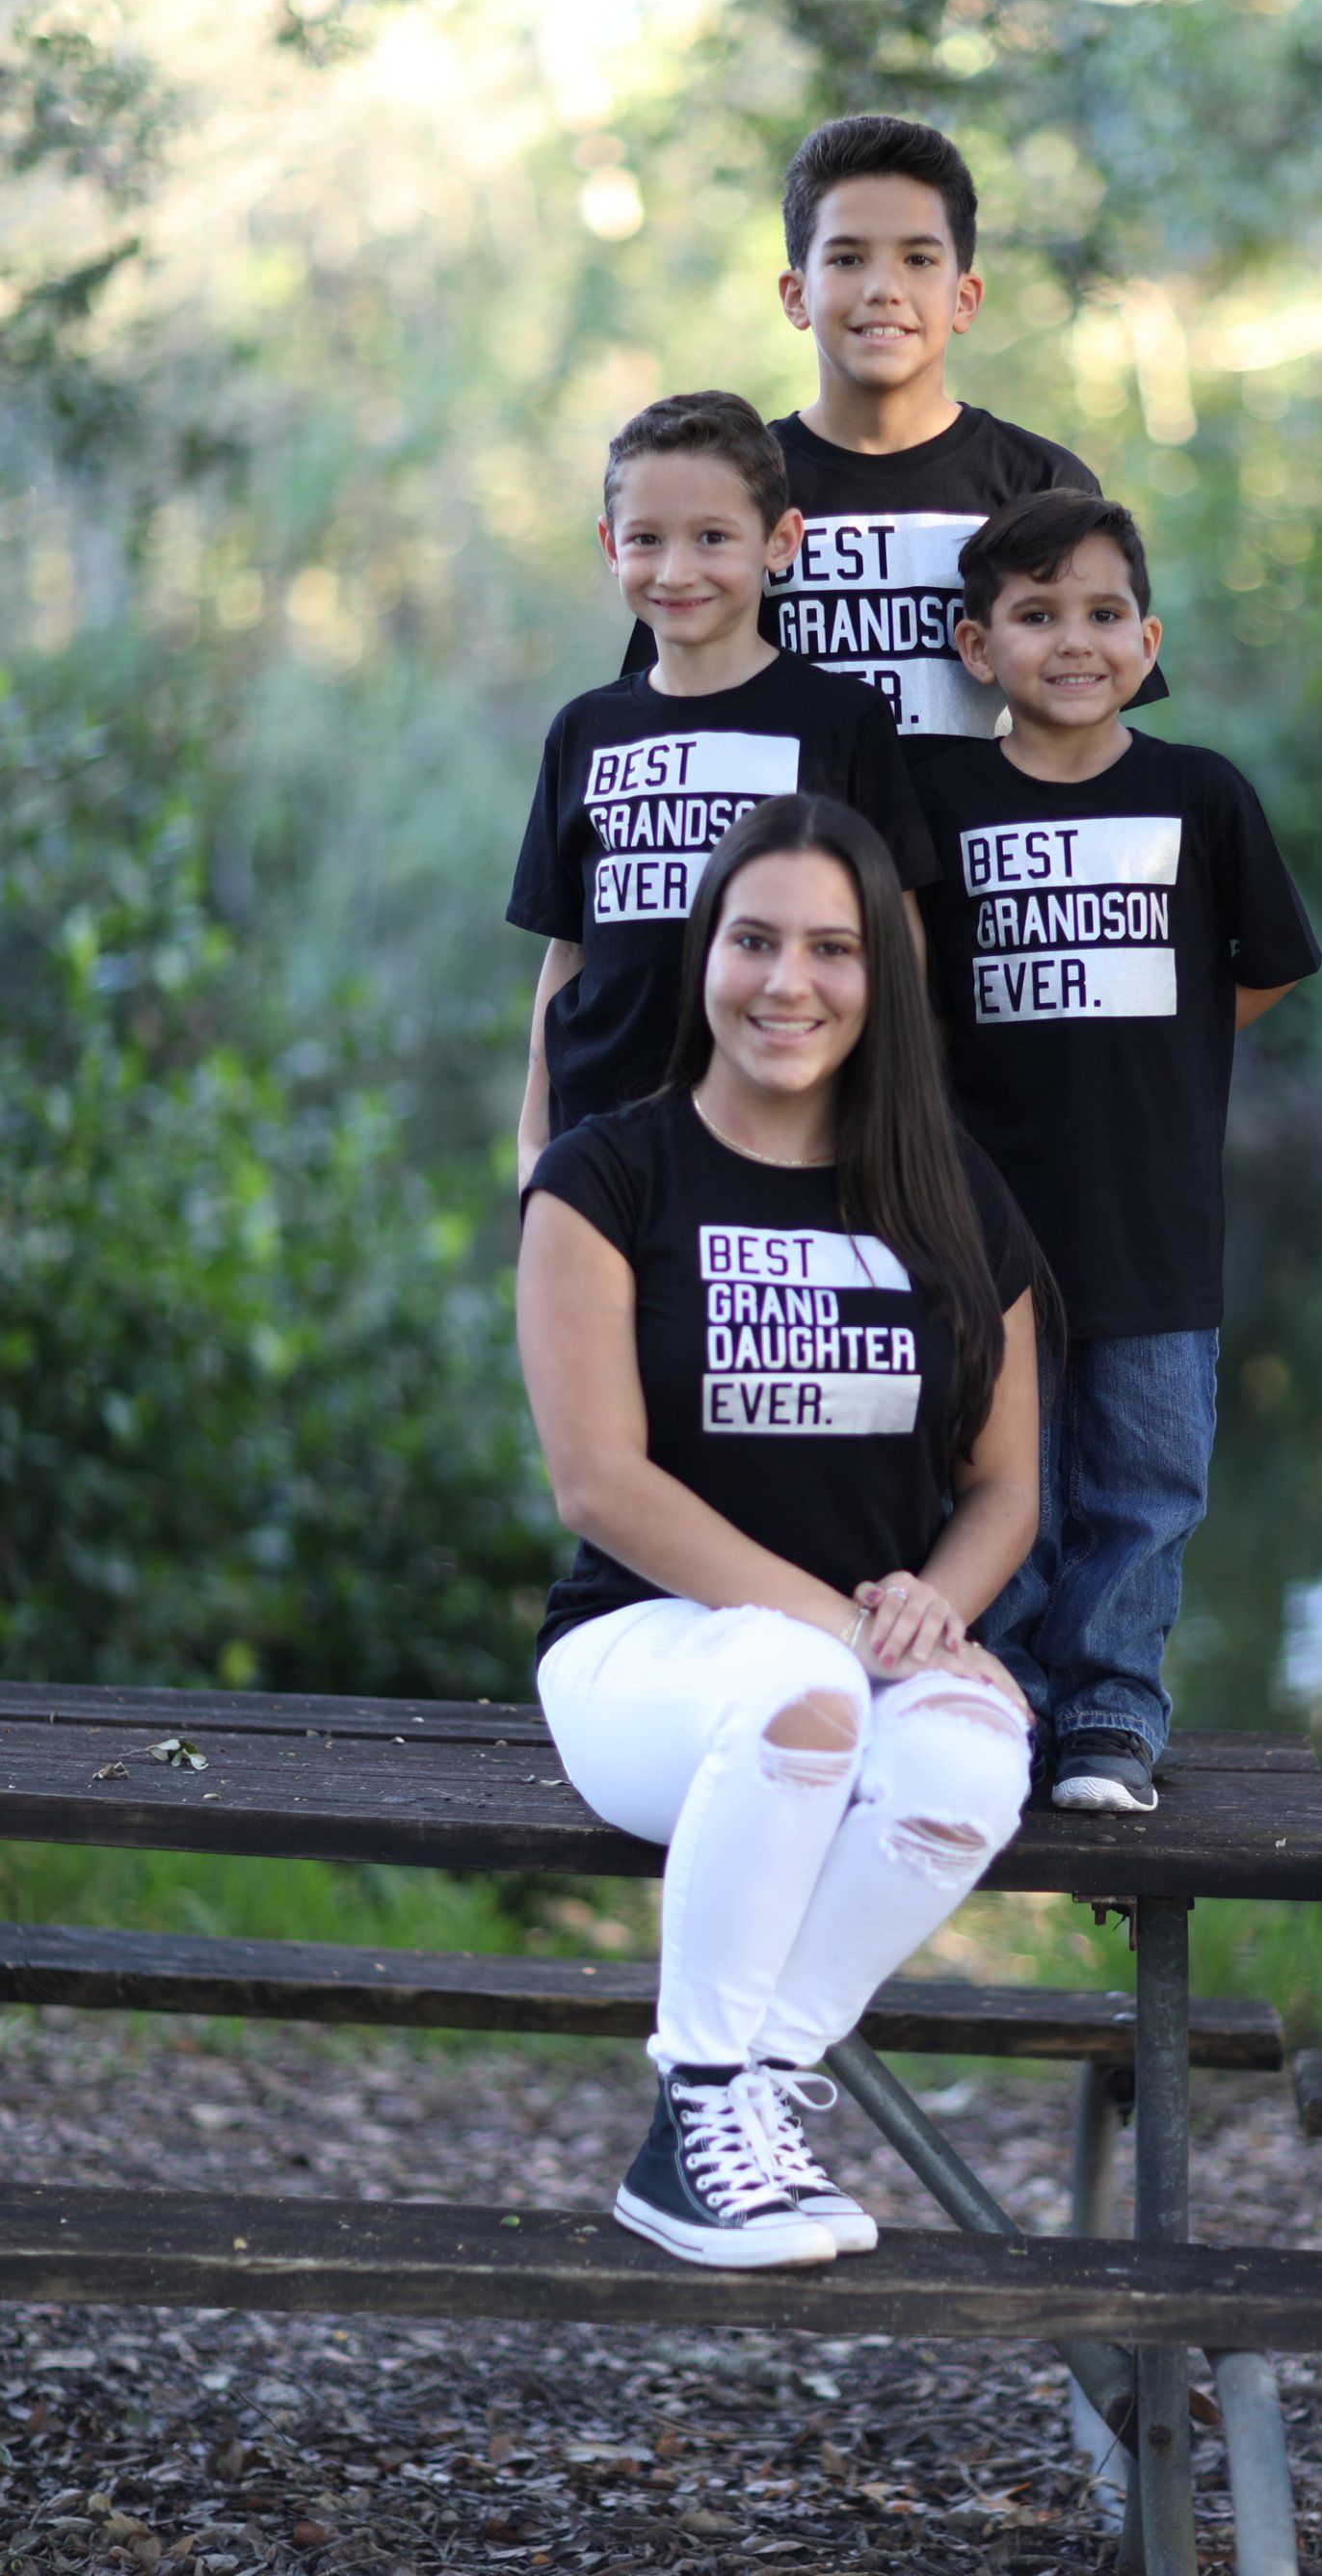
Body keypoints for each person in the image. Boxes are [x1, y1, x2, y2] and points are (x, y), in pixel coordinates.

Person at [516, 791, 1038, 2271]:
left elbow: (1007, 1487)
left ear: (884, 978)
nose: (787, 982)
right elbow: (601, 1485)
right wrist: (861, 1634)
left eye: (831, 947)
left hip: (858, 1647)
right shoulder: (606, 1179)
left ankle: (724, 2101)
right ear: (705, 959)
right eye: (753, 940)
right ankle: (701, 2112)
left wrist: (940, 1613)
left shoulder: (949, 1194)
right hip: (647, 1656)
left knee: (966, 1761)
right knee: (804, 1700)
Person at [910, 490, 1321, 1814]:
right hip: (987, 1227)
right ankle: (1005, 1700)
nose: (1071, 642)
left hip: (1150, 1219)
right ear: (980, 651)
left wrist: (1153, 1045)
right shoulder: (943, 797)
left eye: (1099, 614)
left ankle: (1109, 1719)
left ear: (1147, 641)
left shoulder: (1200, 792)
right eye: (1035, 616)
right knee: (1001, 1481)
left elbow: (1259, 973)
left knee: (1144, 1485)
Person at [623, 114, 1165, 743]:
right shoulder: (732, 482)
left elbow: (1091, 723)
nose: (884, 288)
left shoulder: (1041, 482)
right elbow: (670, 709)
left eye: (918, 258)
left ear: (964, 297)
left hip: (974, 840)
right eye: (848, 257)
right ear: (796, 295)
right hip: (787, 838)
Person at [509, 391, 936, 1187]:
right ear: (610, 544)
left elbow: (896, 934)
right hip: (601, 1141)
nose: (676, 570)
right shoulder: (584, 729)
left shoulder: (839, 719)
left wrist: (882, 1121)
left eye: (712, 537)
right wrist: (534, 1146)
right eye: (646, 539)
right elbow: (567, 947)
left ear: (779, 541)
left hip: (786, 1136)